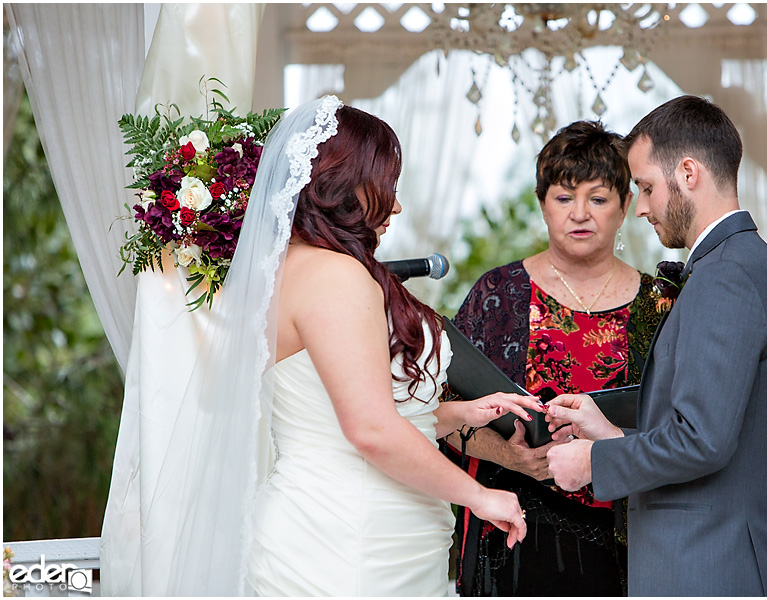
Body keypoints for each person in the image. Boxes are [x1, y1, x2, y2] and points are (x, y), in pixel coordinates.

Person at [102, 96, 541, 596]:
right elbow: (370, 431)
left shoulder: (287, 271)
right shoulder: (336, 277)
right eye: (386, 185)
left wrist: (460, 416)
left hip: (360, 532)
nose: (395, 205)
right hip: (347, 542)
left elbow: (335, 417)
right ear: (342, 185)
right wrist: (480, 496)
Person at [545, 95, 767, 596]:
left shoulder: (725, 275)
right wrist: (610, 435)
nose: (639, 207)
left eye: (645, 187)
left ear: (688, 173)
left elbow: (702, 440)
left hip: (705, 569)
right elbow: (718, 429)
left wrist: (591, 463)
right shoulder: (744, 263)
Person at [445, 121, 667, 596]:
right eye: (564, 198)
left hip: (629, 536)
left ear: (626, 206)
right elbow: (440, 416)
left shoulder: (660, 304)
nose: (580, 214)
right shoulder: (497, 294)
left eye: (599, 198)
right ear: (542, 203)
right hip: (514, 531)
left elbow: (682, 427)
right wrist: (509, 454)